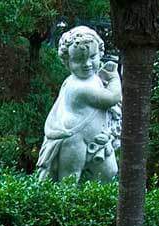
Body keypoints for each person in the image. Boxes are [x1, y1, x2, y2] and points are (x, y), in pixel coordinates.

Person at [36, 26, 122, 183]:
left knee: (109, 172)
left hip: (96, 137)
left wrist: (103, 76)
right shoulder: (79, 87)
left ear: (100, 52)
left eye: (92, 56)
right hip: (74, 139)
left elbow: (98, 87)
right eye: (78, 60)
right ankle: (68, 205)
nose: (87, 64)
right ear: (67, 61)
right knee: (69, 179)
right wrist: (114, 78)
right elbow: (112, 97)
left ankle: (91, 203)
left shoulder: (89, 78)